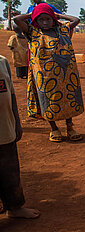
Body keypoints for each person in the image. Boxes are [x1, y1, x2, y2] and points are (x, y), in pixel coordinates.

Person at [13, 3, 83, 142]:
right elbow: (17, 20)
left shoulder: (62, 29)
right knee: (48, 100)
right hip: (44, 76)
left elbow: (75, 20)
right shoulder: (32, 32)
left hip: (66, 74)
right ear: (36, 21)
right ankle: (54, 129)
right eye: (41, 19)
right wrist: (33, 14)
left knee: (68, 98)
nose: (45, 22)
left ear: (53, 19)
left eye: (48, 19)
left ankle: (70, 127)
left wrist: (58, 15)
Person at [0, 55, 40, 219]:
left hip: (5, 129)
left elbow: (12, 94)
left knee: (10, 171)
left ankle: (15, 207)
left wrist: (17, 121)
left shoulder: (2, 62)